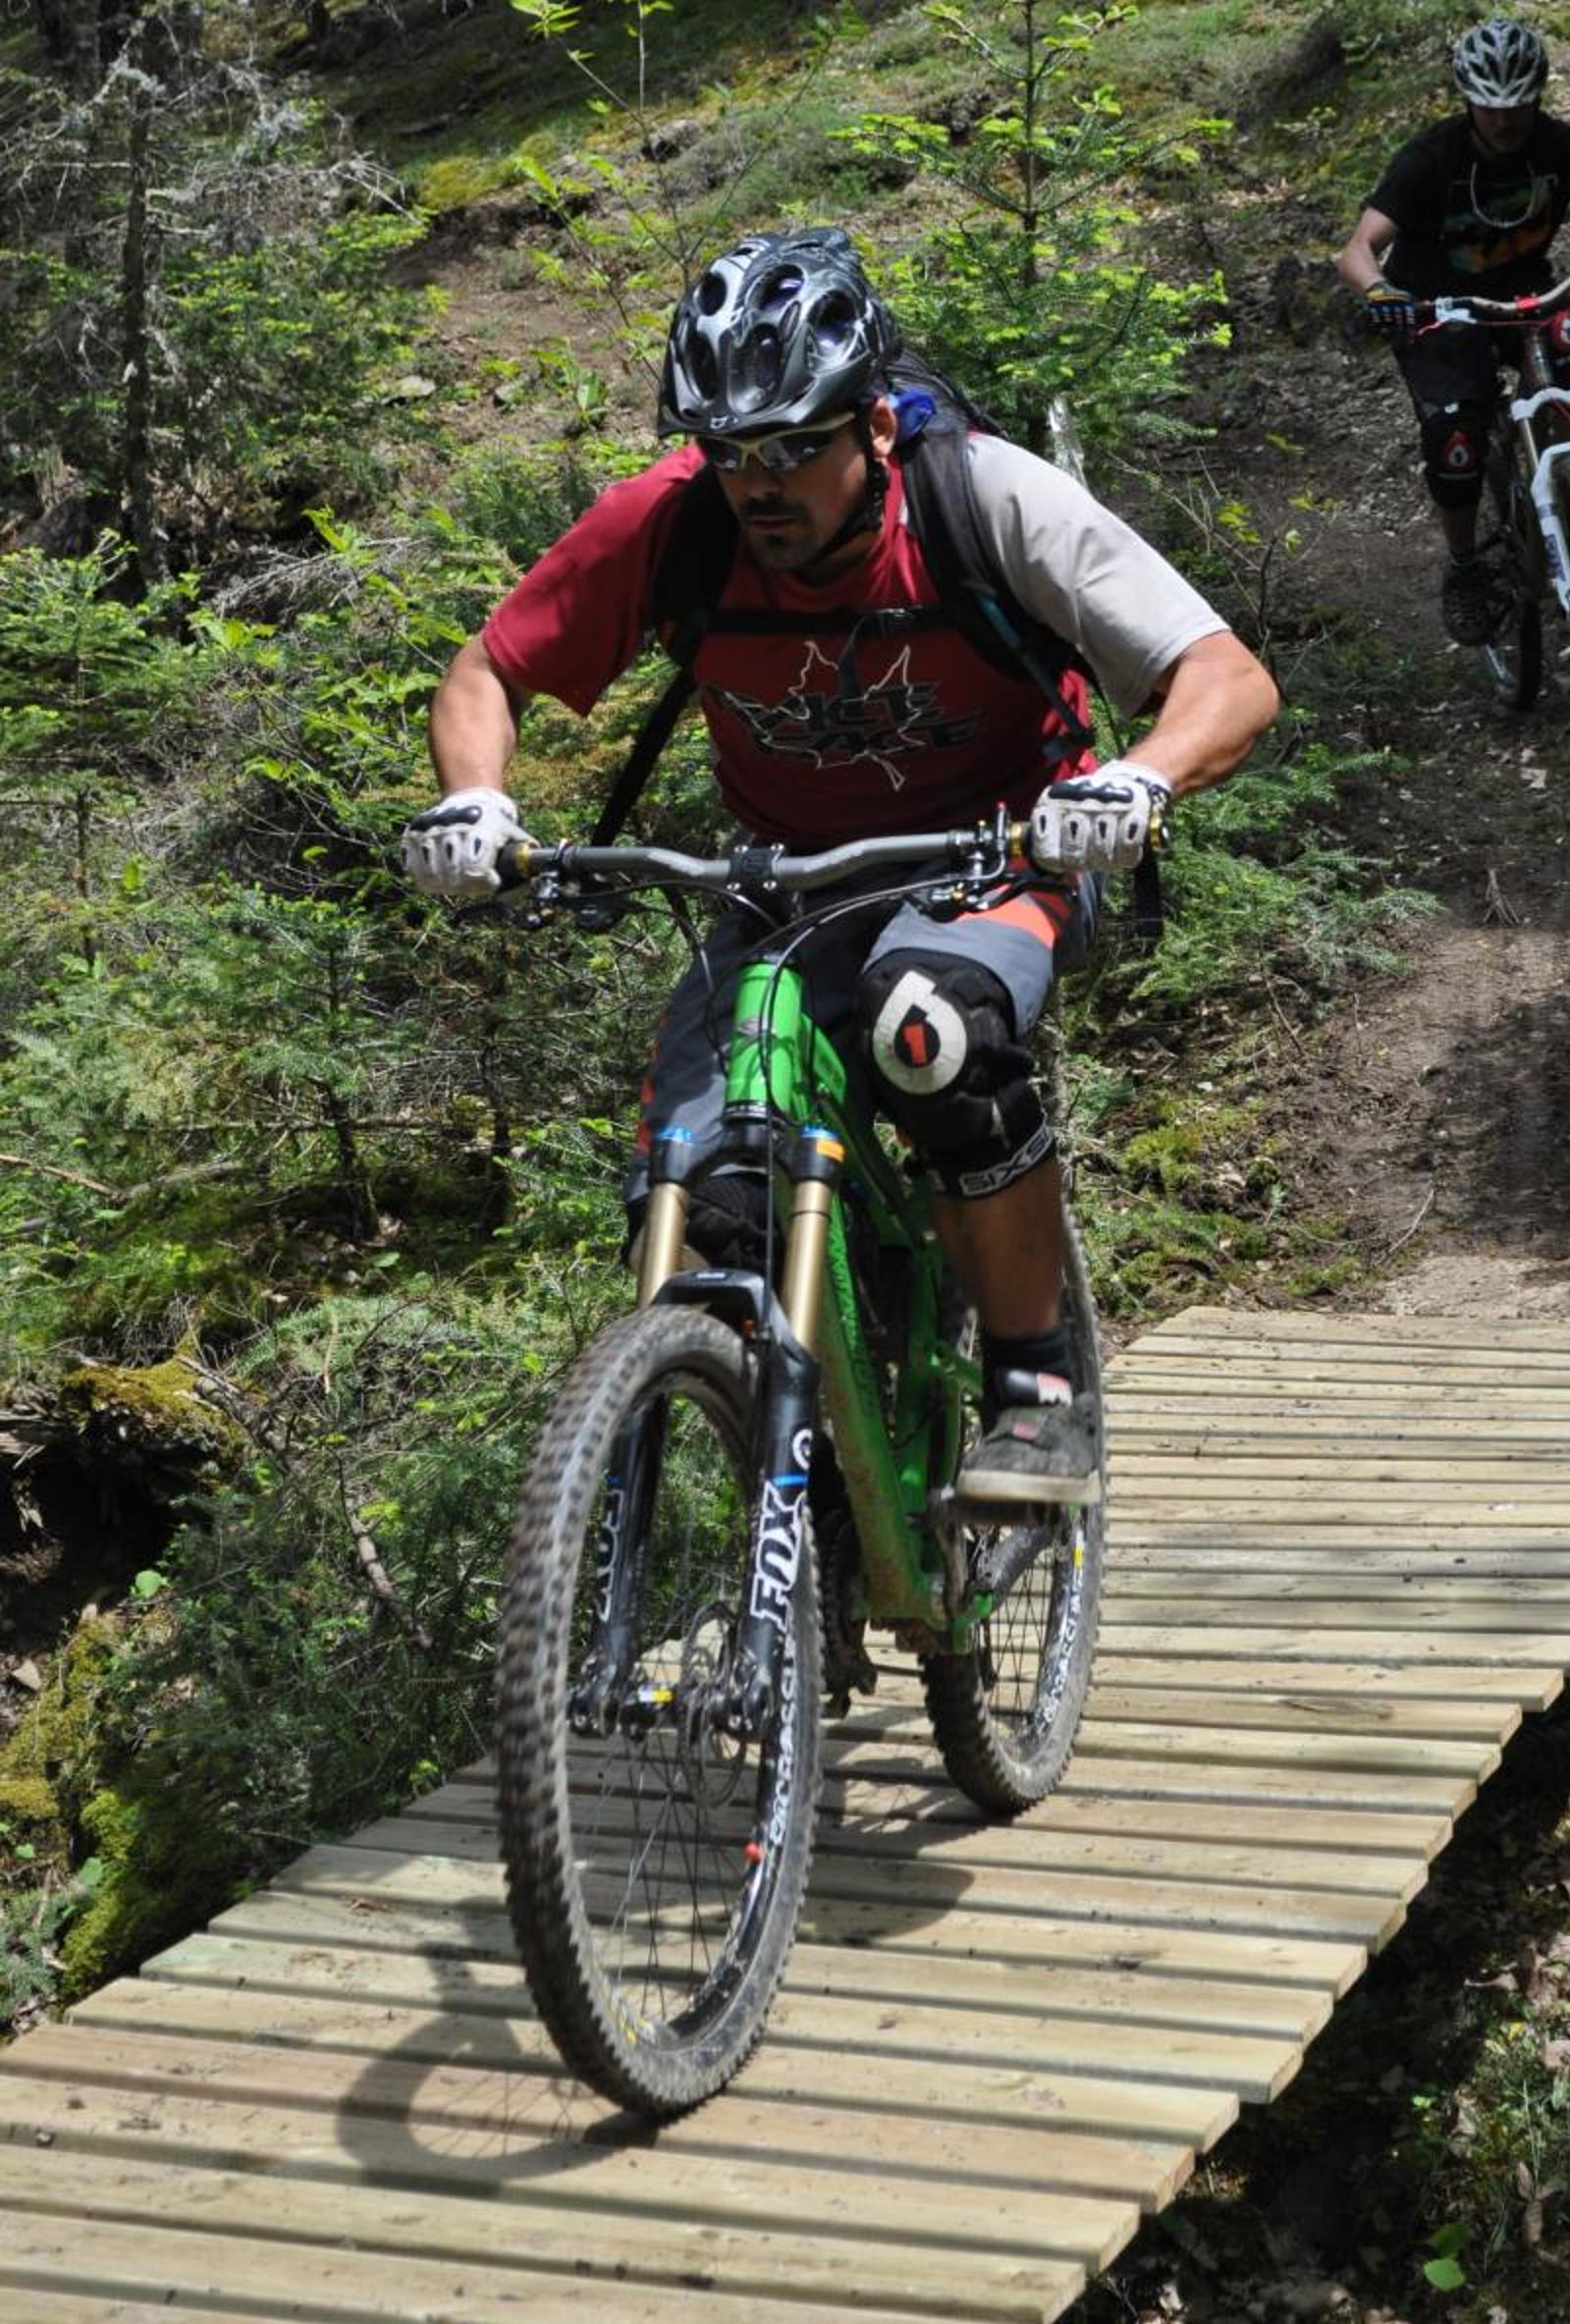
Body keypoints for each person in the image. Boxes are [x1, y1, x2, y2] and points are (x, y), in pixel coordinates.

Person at [403, 228, 1278, 1508]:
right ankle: (797, 1535)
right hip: (784, 884)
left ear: (870, 426)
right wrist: (475, 799)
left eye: (791, 448)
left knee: (928, 1030)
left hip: (1002, 851)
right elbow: (491, 669)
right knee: (704, 1180)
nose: (756, 485)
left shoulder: (985, 499)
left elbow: (1226, 679)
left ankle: (1035, 1383)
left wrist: (1135, 783)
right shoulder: (674, 524)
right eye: (728, 452)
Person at [1336, 18, 1570, 643]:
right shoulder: (1432, 157)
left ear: (1536, 97)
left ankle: (1569, 482)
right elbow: (1358, 249)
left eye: (1518, 104)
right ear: (1468, 100)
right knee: (1456, 441)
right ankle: (1465, 566)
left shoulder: (1558, 146)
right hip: (1437, 308)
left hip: (1526, 296)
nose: (1504, 120)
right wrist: (1381, 292)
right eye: (1490, 106)